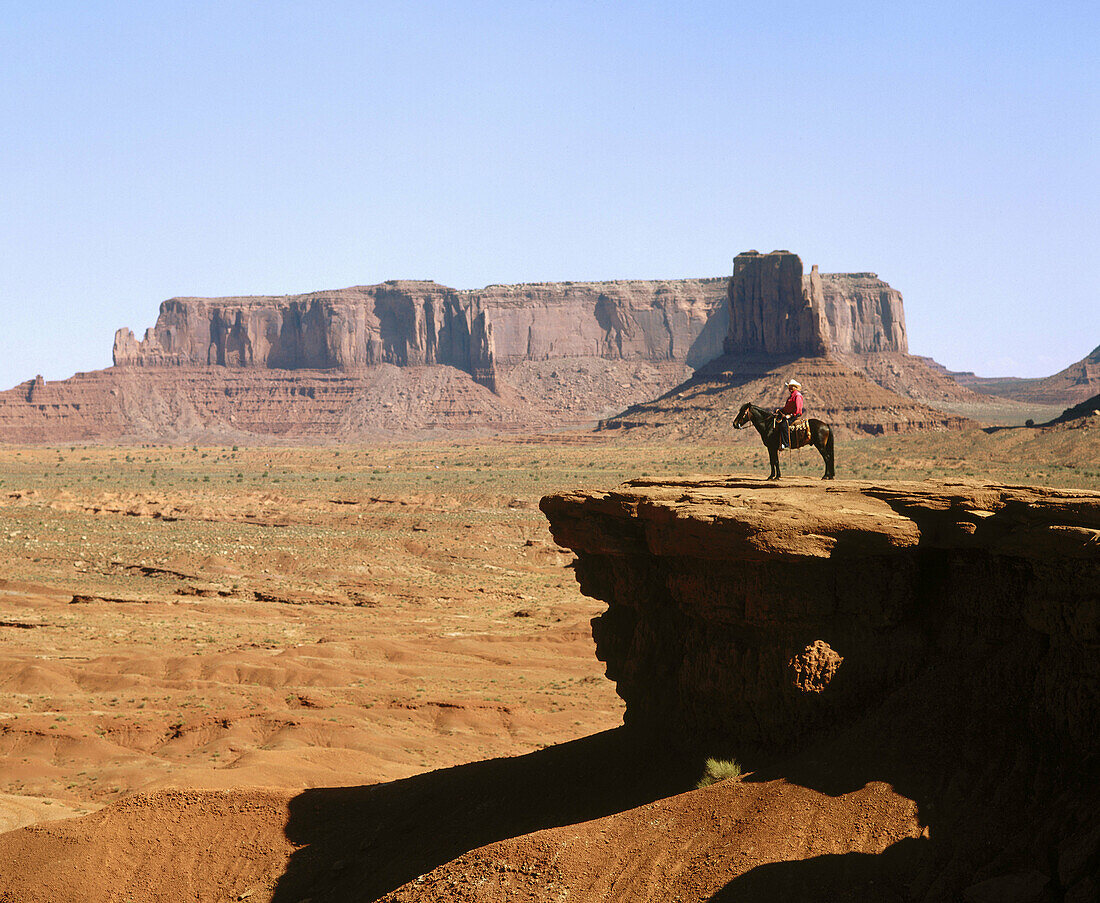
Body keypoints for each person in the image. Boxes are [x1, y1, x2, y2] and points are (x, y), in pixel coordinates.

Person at [776, 379, 803, 449]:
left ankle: (786, 443)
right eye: (789, 387)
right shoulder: (791, 396)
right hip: (788, 414)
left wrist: (790, 415)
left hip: (795, 415)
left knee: (783, 425)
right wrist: (780, 411)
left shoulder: (797, 396)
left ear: (795, 387)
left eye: (791, 387)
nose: (789, 388)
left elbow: (798, 409)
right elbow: (787, 408)